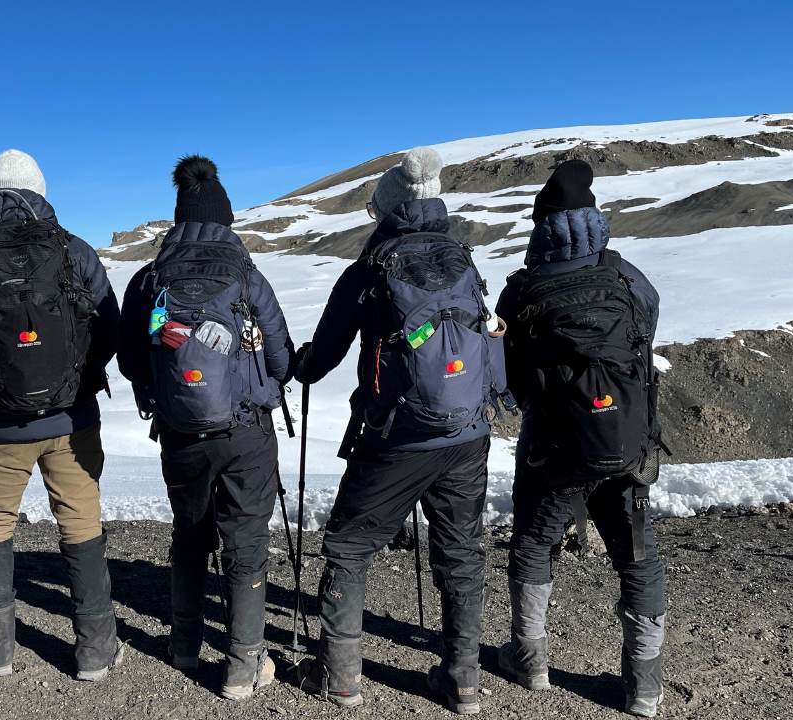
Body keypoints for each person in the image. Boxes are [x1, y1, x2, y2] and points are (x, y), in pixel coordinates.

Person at [292, 147, 508, 715]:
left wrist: (302, 365)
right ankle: (463, 679)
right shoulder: (462, 259)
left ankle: (340, 676)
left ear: (385, 210)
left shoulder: (370, 268)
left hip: (396, 438)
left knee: (348, 543)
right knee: (460, 552)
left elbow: (326, 355)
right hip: (467, 433)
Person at [0, 149, 125, 681]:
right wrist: (73, 378)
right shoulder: (73, 249)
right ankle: (95, 652)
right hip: (72, 419)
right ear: (42, 191)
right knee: (80, 522)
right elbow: (109, 329)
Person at [494, 159, 666, 717]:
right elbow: (646, 337)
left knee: (533, 546)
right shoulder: (627, 279)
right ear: (595, 220)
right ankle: (643, 688)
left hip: (552, 448)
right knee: (638, 560)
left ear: (540, 225)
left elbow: (512, 375)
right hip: (628, 445)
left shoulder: (521, 290)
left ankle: (531, 660)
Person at [117, 155, 292, 701]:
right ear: (227, 220)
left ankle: (185, 644)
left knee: (190, 533)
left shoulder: (150, 279)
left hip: (179, 432)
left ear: (178, 217)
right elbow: (281, 357)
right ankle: (242, 666)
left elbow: (128, 357)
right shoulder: (246, 276)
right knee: (245, 541)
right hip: (246, 431)